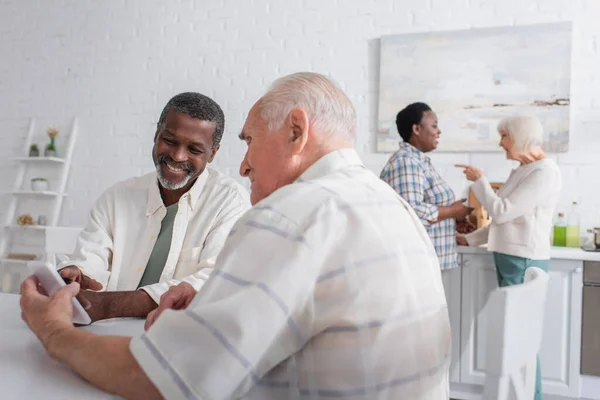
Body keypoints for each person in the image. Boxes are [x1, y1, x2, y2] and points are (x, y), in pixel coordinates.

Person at [21, 72, 451, 399]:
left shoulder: (291, 213)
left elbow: (168, 376)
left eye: (250, 141)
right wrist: (210, 304)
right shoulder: (392, 206)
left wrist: (55, 333)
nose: (244, 167)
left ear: (296, 131)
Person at [58, 92, 250, 322]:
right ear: (157, 133)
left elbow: (214, 281)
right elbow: (91, 257)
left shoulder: (230, 202)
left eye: (194, 150)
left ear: (213, 153)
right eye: (169, 140)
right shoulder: (116, 198)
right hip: (105, 330)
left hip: (177, 340)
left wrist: (110, 305)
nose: (178, 156)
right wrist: (79, 273)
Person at [456, 114, 562, 400]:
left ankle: (533, 395)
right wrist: (467, 238)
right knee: (514, 337)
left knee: (521, 339)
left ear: (519, 136)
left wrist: (480, 181)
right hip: (509, 257)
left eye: (504, 135)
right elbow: (502, 222)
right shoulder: (521, 171)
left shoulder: (545, 173)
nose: (500, 142)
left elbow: (501, 211)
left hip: (524, 259)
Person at [380, 102, 472, 270]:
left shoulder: (418, 161)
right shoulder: (406, 163)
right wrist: (452, 211)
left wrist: (453, 218)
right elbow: (411, 212)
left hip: (430, 262)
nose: (439, 131)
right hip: (419, 264)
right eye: (434, 126)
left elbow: (426, 206)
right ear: (416, 129)